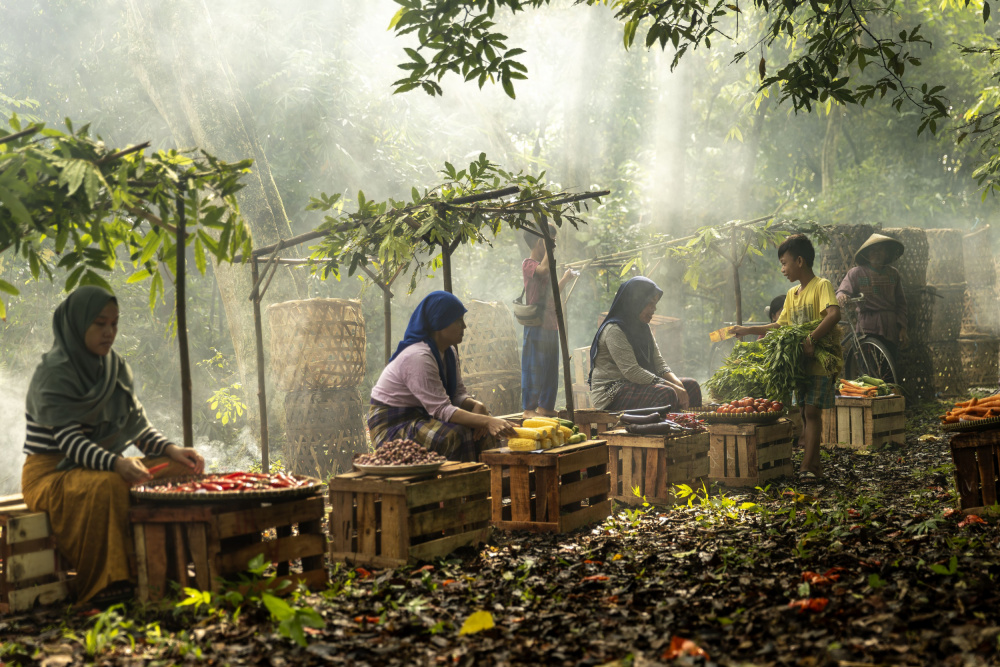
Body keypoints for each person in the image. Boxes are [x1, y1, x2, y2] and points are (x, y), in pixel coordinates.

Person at [21, 286, 205, 606]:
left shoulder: (115, 368)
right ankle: (107, 584)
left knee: (182, 469)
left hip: (99, 466)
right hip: (50, 475)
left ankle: (171, 570)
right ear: (78, 324)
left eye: (115, 324)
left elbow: (136, 426)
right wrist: (118, 463)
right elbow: (70, 443)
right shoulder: (52, 374)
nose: (110, 332)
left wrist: (172, 449)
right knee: (109, 483)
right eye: (100, 323)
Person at [731, 234, 841, 482]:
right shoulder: (792, 294)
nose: (782, 269)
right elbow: (780, 326)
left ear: (799, 260)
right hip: (800, 365)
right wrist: (747, 330)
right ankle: (815, 466)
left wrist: (811, 339)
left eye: (784, 262)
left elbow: (833, 314)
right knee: (803, 411)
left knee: (812, 413)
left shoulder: (821, 285)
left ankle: (806, 468)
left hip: (820, 362)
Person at [369, 291, 515, 461]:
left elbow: (457, 395)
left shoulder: (450, 351)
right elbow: (440, 409)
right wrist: (486, 421)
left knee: (483, 432)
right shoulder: (419, 357)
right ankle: (462, 484)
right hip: (392, 424)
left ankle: (490, 482)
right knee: (456, 435)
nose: (464, 327)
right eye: (458, 321)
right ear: (440, 322)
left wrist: (477, 406)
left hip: (422, 416)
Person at [588, 276, 702, 411]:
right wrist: (672, 387)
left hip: (638, 385)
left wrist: (677, 384)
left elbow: (658, 362)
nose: (654, 309)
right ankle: (668, 430)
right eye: (650, 303)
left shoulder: (643, 327)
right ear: (636, 302)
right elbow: (632, 371)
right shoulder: (614, 329)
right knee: (666, 393)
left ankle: (688, 428)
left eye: (655, 304)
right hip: (612, 392)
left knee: (691, 387)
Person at [521, 226, 577, 418]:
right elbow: (543, 270)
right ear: (540, 242)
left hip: (550, 325)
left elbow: (551, 295)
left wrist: (564, 279)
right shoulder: (529, 264)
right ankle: (529, 408)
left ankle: (545, 406)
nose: (553, 246)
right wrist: (548, 246)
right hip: (536, 325)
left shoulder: (544, 266)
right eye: (551, 241)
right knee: (534, 367)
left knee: (550, 368)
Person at [835, 233, 908, 360]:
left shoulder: (893, 274)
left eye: (880, 250)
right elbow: (842, 291)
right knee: (868, 364)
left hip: (890, 326)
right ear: (867, 254)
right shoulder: (856, 273)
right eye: (873, 251)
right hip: (867, 325)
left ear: (886, 254)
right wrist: (842, 296)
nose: (877, 253)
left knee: (889, 365)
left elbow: (901, 304)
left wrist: (903, 328)